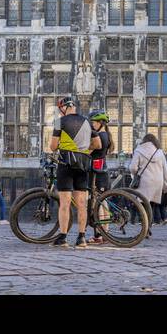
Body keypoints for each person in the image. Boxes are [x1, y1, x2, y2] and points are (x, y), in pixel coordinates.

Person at [48, 96, 102, 248]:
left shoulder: (60, 122)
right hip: (83, 164)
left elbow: (53, 146)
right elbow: (98, 144)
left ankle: (63, 237)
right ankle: (82, 238)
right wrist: (84, 150)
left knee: (64, 203)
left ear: (63, 108)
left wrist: (66, 147)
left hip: (66, 164)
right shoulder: (87, 121)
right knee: (82, 204)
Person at [130, 133, 167, 229]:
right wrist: (166, 185)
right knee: (151, 205)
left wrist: (136, 173)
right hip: (157, 182)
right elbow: (165, 170)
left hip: (144, 181)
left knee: (142, 203)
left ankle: (144, 224)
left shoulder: (139, 150)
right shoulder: (159, 152)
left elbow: (133, 168)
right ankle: (149, 226)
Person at [85, 112, 111, 244]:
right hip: (102, 171)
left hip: (97, 173)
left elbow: (90, 150)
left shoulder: (100, 136)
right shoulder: (106, 135)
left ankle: (100, 234)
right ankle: (105, 232)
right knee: (103, 201)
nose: (92, 125)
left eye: (94, 123)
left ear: (100, 123)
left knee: (98, 203)